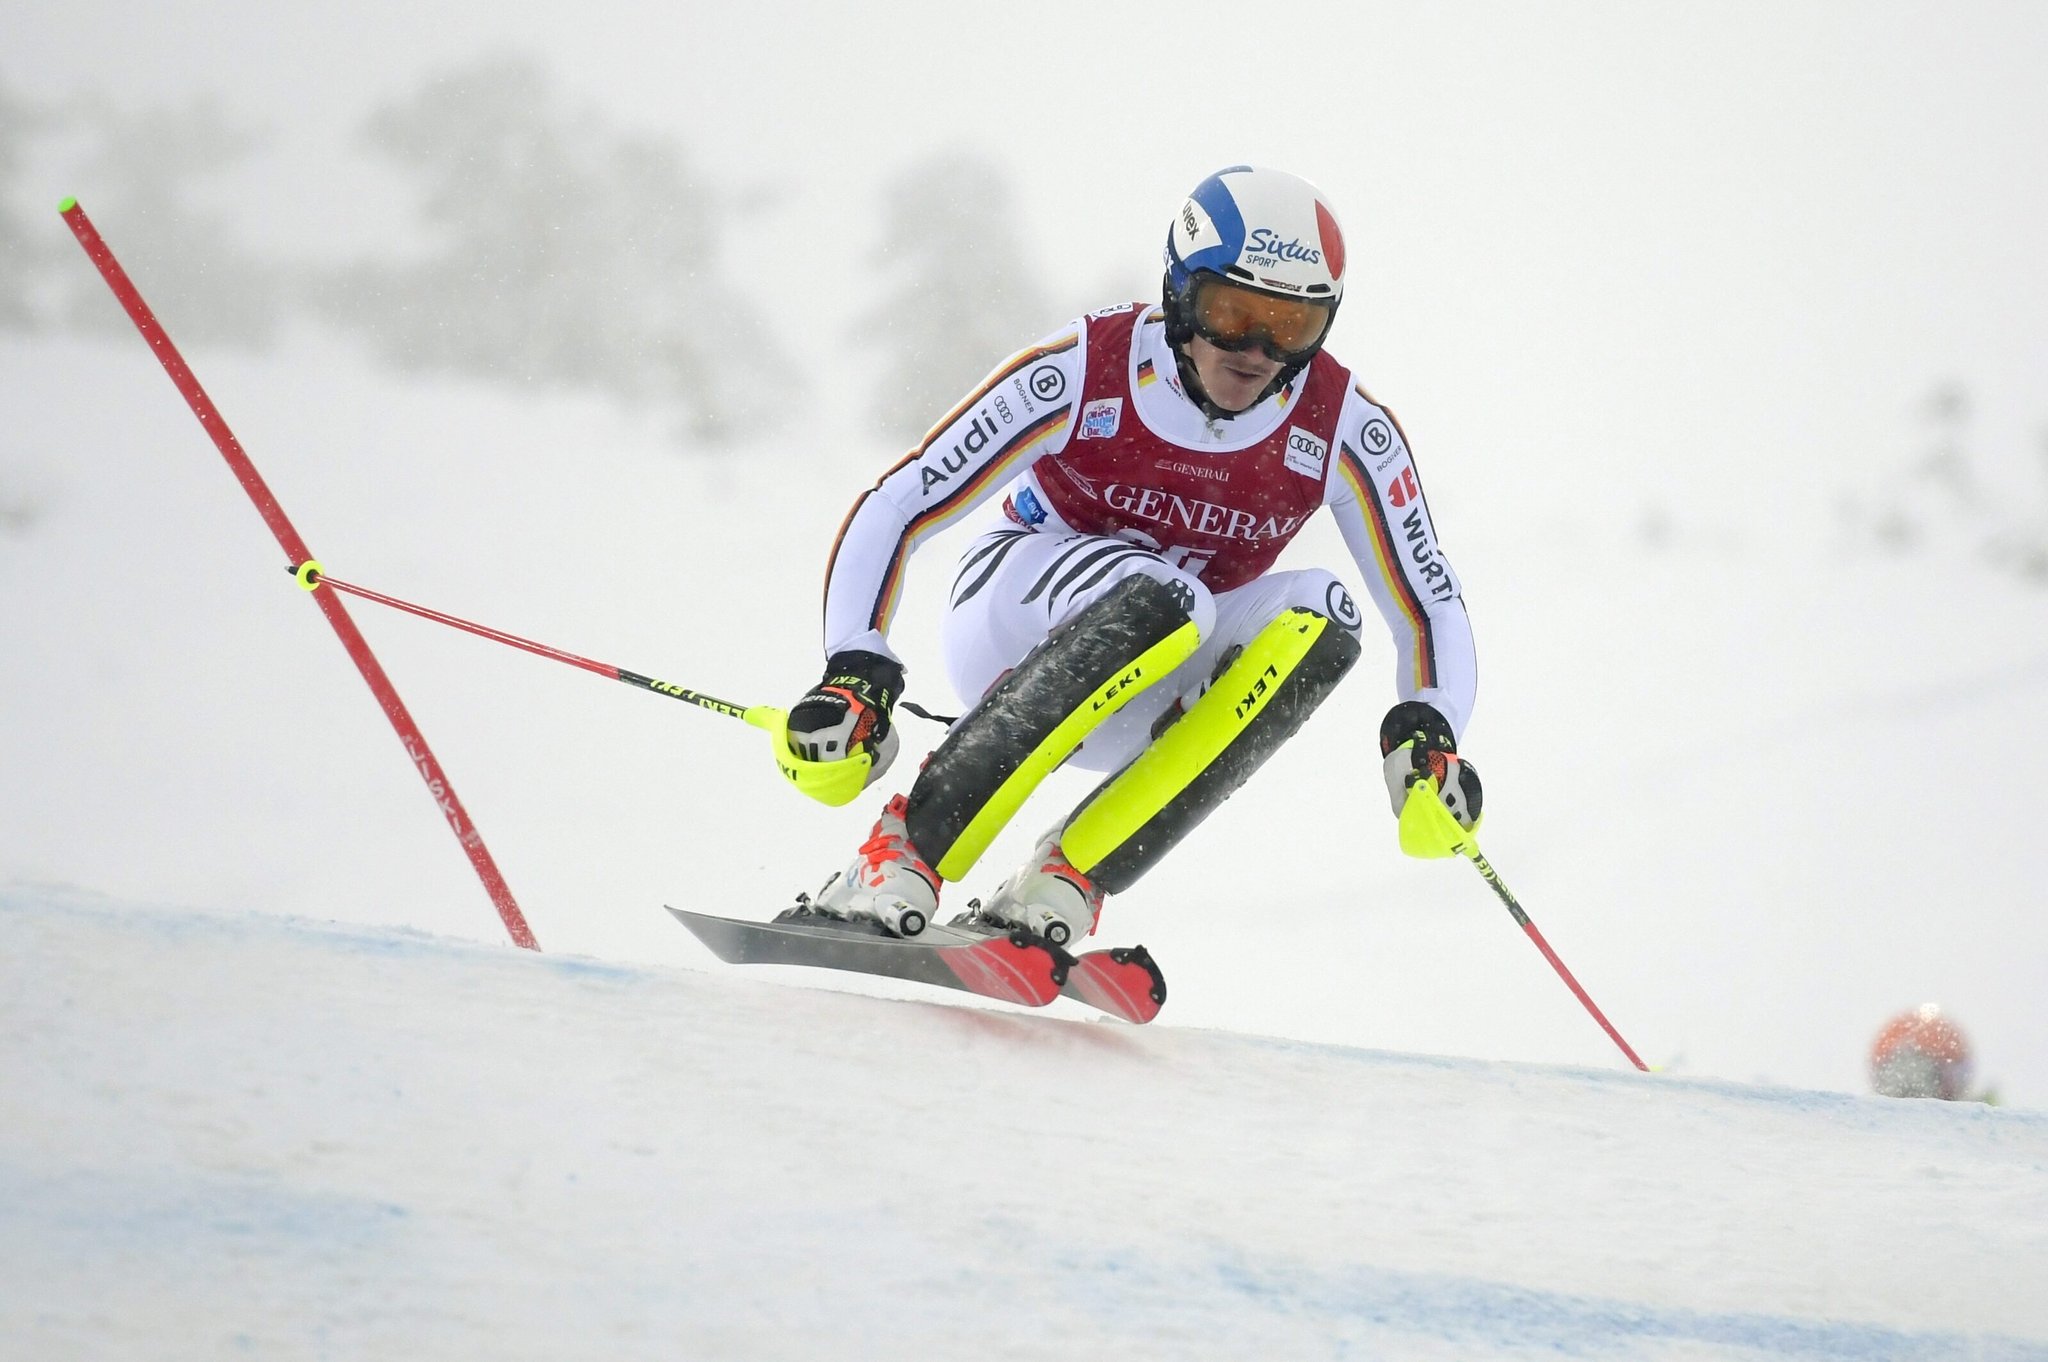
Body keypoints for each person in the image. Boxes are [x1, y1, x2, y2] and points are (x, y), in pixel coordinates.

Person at [773, 165, 1481, 947]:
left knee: (1325, 616)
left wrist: (1430, 726)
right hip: (1013, 616)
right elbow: (900, 502)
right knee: (1168, 593)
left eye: (1290, 326)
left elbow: (1428, 601)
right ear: (1180, 294)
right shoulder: (1086, 368)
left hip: (1156, 683)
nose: (1254, 351)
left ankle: (1068, 874)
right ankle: (899, 854)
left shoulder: (1344, 426)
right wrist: (856, 663)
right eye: (1232, 312)